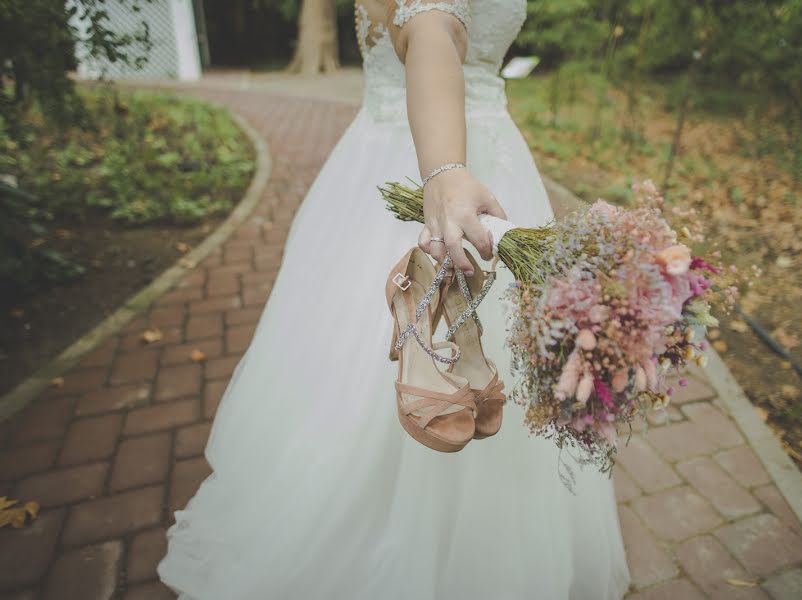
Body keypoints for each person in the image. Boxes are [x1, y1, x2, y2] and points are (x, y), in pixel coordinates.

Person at [157, 1, 630, 598]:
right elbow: (431, 31)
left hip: (405, 155)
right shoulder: (444, 149)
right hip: (448, 165)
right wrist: (446, 173)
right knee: (426, 350)